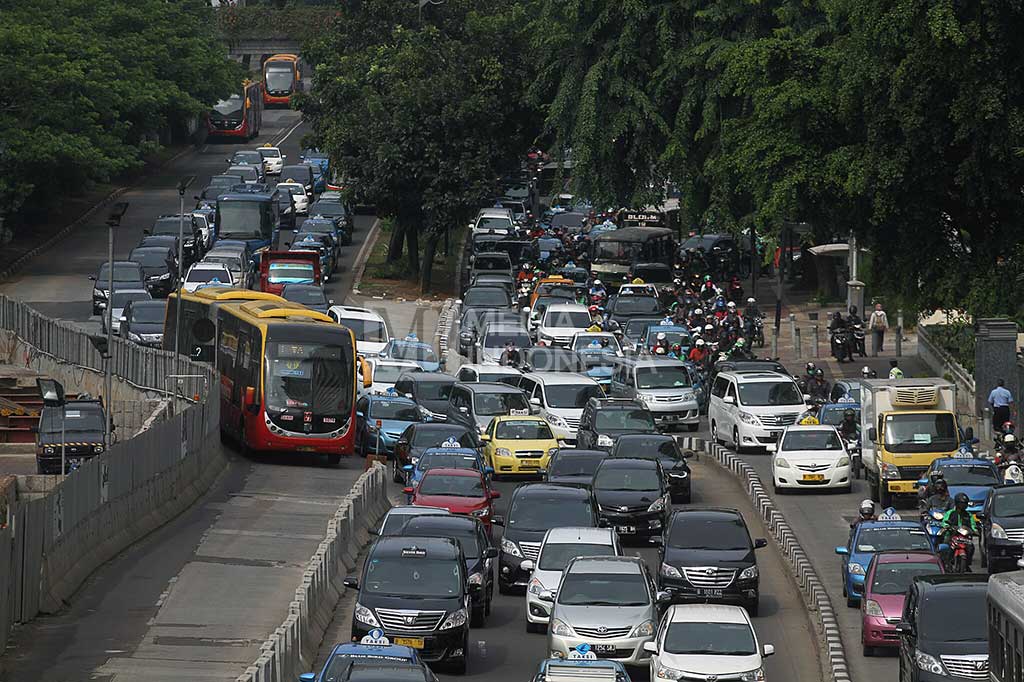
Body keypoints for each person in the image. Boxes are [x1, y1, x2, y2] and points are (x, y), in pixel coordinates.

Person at [941, 493, 978, 566]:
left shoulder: (968, 515)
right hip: (951, 536)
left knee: (971, 547)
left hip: (964, 537)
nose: (964, 505)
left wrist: (975, 531)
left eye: (965, 503)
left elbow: (973, 525)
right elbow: (944, 522)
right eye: (962, 503)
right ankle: (946, 563)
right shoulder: (950, 513)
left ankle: (967, 564)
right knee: (945, 547)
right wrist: (947, 526)